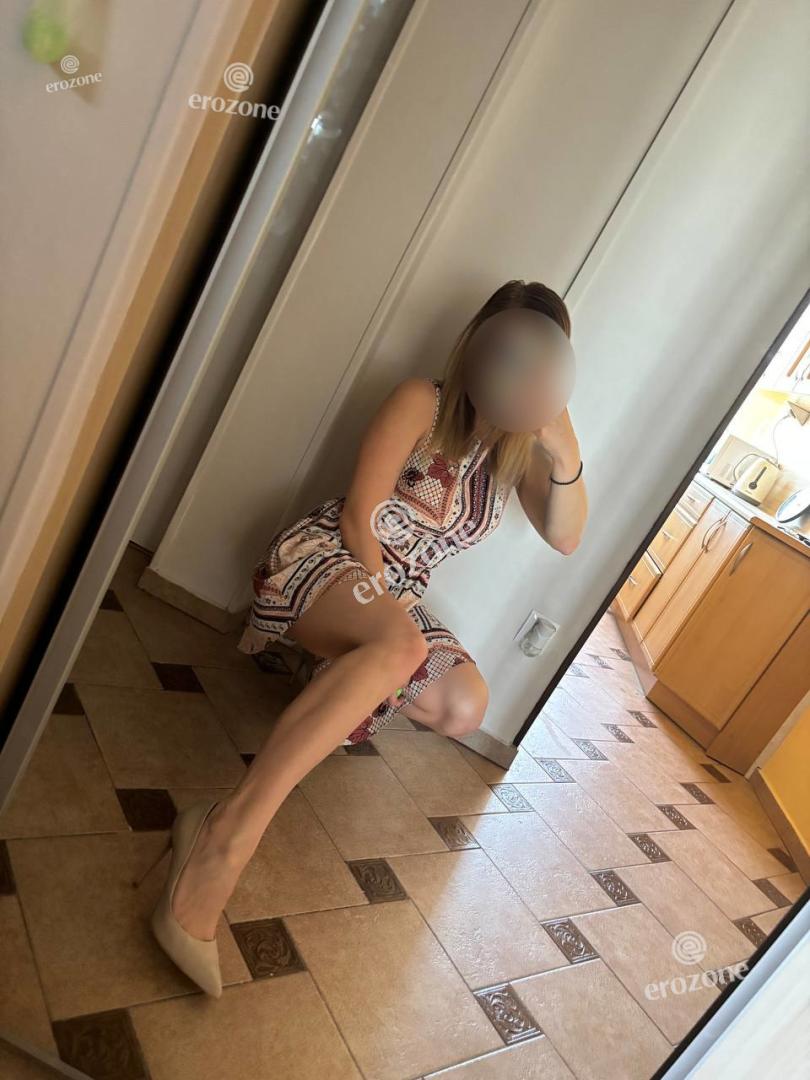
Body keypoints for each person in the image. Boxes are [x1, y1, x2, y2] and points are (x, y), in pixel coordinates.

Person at [134, 279, 588, 997]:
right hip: (336, 558)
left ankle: (348, 673)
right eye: (508, 350)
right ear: (480, 343)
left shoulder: (516, 459)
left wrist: (563, 452)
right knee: (401, 648)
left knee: (464, 705)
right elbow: (358, 518)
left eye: (538, 360)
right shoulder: (423, 401)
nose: (518, 369)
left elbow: (566, 538)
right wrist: (384, 617)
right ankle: (221, 840)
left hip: (395, 600)